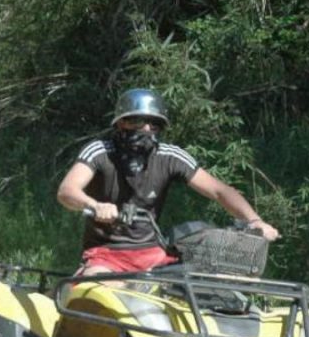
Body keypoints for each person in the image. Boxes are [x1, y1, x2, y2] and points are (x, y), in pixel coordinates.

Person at [57, 88, 279, 276]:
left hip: (153, 254)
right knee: (96, 293)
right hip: (105, 254)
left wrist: (255, 221)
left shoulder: (170, 156)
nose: (146, 129)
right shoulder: (100, 151)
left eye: (154, 124)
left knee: (199, 295)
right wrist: (94, 205)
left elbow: (220, 190)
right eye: (138, 121)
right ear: (121, 123)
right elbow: (67, 191)